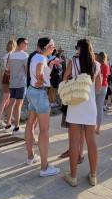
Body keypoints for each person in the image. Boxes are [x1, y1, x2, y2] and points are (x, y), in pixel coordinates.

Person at [64, 38, 101, 187]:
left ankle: (73, 176)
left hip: (75, 104)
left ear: (79, 48)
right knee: (91, 141)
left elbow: (64, 78)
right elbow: (98, 86)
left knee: (73, 141)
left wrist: (73, 82)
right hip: (89, 105)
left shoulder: (73, 62)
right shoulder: (97, 65)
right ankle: (93, 175)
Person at [24, 37, 60, 177]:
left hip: (32, 91)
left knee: (30, 125)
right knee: (44, 131)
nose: (53, 48)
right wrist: (41, 80)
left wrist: (50, 66)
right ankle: (44, 167)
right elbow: (40, 73)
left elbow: (42, 72)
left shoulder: (36, 56)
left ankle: (31, 157)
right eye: (52, 46)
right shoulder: (41, 59)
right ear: (45, 47)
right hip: (39, 94)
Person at [60, 46, 85, 165]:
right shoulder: (93, 62)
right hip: (86, 98)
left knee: (72, 127)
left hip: (73, 96)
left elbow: (65, 78)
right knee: (82, 128)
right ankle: (79, 153)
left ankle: (75, 151)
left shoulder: (74, 60)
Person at [5, 37, 29, 137]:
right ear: (21, 44)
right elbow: (27, 69)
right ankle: (17, 127)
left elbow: (7, 69)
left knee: (11, 103)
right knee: (18, 105)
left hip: (12, 82)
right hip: (21, 83)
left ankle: (8, 125)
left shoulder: (12, 55)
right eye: (26, 43)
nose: (27, 45)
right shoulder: (24, 55)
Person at [0, 39, 17, 128]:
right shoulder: (11, 55)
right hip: (9, 77)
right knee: (5, 99)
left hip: (6, 76)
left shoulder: (6, 55)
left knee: (7, 99)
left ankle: (8, 116)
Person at [96, 51, 110, 134]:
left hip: (97, 86)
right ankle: (98, 127)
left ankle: (92, 125)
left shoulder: (97, 65)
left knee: (93, 107)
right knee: (100, 108)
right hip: (104, 86)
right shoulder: (107, 66)